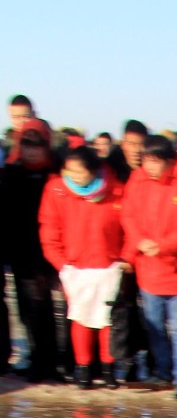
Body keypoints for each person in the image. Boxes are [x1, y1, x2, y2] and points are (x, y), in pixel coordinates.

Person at [38, 144, 125, 389]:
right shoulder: (55, 190)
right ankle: (83, 368)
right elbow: (49, 231)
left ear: (94, 171)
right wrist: (61, 264)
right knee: (80, 318)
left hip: (108, 265)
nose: (73, 177)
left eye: (79, 171)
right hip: (75, 267)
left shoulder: (116, 189)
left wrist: (124, 258)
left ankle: (108, 369)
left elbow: (128, 225)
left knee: (107, 320)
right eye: (69, 171)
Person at [121, 134, 177, 397]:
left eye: (156, 162)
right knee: (154, 326)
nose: (150, 167)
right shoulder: (137, 181)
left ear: (169, 161)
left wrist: (163, 246)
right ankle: (163, 371)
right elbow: (128, 215)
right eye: (147, 161)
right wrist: (137, 244)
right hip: (148, 269)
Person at [0, 121, 61, 382]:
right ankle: (37, 361)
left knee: (50, 309)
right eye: (26, 145)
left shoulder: (56, 174)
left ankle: (54, 362)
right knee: (29, 309)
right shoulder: (11, 173)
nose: (32, 151)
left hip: (51, 249)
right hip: (22, 250)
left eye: (37, 145)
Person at [105, 120, 148, 186]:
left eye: (141, 144)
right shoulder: (108, 171)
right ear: (123, 144)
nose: (136, 150)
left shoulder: (154, 171)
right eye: (131, 144)